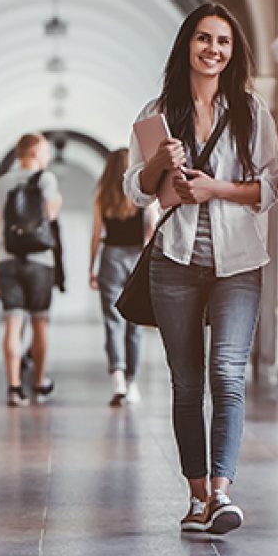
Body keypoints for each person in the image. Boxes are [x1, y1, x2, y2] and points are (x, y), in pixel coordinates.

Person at [123, 2, 278, 535]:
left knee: (227, 374)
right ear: (186, 45)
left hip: (238, 263)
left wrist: (215, 188)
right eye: (203, 39)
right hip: (176, 261)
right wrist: (158, 163)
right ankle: (195, 496)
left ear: (233, 53)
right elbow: (136, 192)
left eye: (223, 41)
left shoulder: (253, 112)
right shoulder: (157, 112)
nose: (213, 49)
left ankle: (221, 492)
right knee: (187, 383)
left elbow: (269, 187)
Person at [0, 134, 62, 407]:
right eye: (45, 151)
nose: (48, 157)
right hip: (40, 260)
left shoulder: (0, 183)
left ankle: (14, 386)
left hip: (6, 259)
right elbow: (50, 216)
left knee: (12, 324)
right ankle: (39, 382)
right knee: (39, 323)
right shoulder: (46, 179)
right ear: (33, 151)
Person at [88, 148, 152, 406]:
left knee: (112, 321)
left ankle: (118, 379)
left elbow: (96, 235)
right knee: (134, 324)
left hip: (110, 259)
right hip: (136, 258)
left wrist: (90, 268)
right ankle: (133, 382)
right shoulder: (142, 194)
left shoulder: (102, 194)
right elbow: (151, 230)